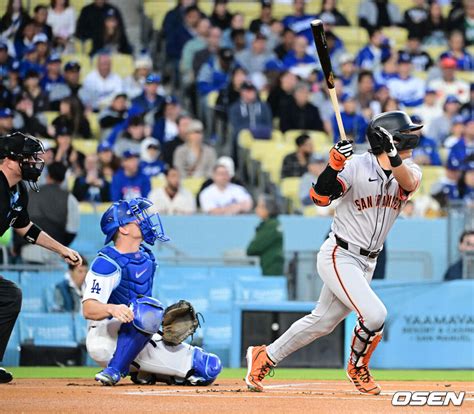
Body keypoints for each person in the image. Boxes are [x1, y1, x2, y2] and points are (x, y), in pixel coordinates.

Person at [245, 110, 423, 395]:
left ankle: (264, 356)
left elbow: (409, 183)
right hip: (340, 254)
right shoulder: (355, 167)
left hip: (368, 261)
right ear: (389, 138)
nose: (413, 137)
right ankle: (357, 367)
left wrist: (394, 156)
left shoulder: (409, 168)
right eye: (407, 133)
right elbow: (320, 197)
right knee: (375, 315)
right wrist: (334, 164)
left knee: (322, 321)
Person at [83, 197, 222, 385]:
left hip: (134, 335)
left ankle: (147, 372)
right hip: (105, 338)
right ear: (122, 229)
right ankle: (115, 370)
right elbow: (89, 309)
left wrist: (156, 325)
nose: (143, 220)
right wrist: (113, 309)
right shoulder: (106, 262)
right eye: (136, 218)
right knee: (148, 310)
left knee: (209, 366)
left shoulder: (146, 257)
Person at [0, 131, 82, 383]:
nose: (34, 163)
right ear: (9, 160)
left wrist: (62, 250)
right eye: (28, 157)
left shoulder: (19, 191)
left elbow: (26, 228)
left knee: (10, 296)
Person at [21, 161, 80, 264]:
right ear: (63, 179)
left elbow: (19, 222)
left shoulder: (30, 194)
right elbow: (71, 231)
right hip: (55, 252)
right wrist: (60, 247)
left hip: (27, 249)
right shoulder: (70, 198)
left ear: (48, 176)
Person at [246, 194, 284, 276]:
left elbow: (253, 248)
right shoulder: (268, 224)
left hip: (270, 268)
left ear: (268, 208)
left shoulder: (272, 225)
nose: (256, 209)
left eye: (259, 206)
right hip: (266, 266)